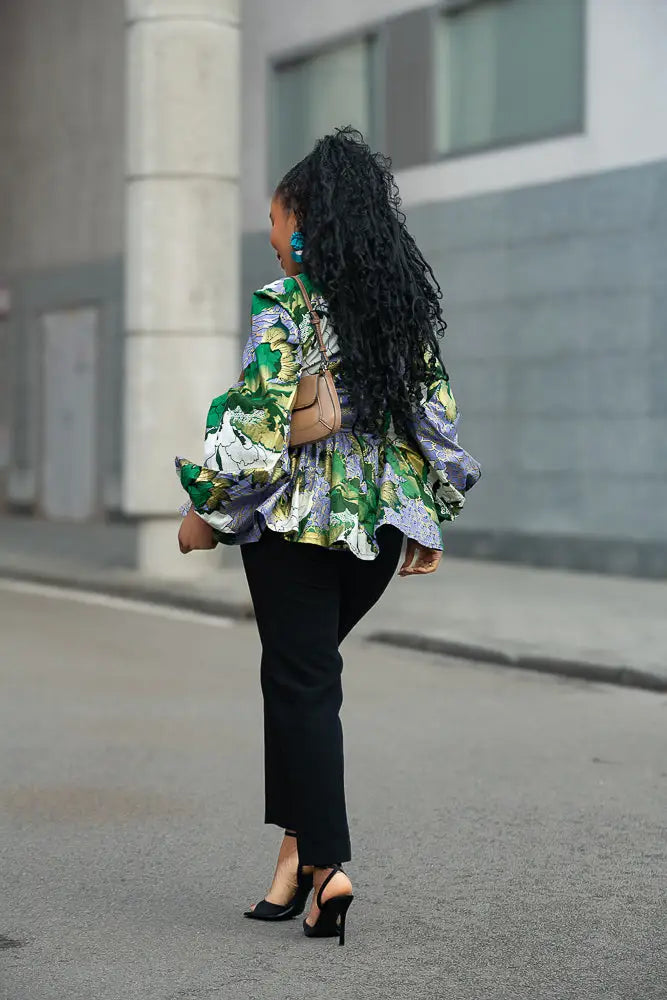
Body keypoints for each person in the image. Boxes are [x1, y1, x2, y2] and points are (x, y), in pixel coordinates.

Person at [175, 127, 481, 946]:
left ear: (304, 222)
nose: (270, 233)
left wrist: (205, 508)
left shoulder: (286, 306)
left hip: (296, 527)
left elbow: (255, 427)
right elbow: (436, 422)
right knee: (299, 677)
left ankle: (328, 864)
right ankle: (292, 859)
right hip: (377, 533)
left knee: (301, 680)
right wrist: (429, 514)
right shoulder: (397, 310)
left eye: (275, 218)